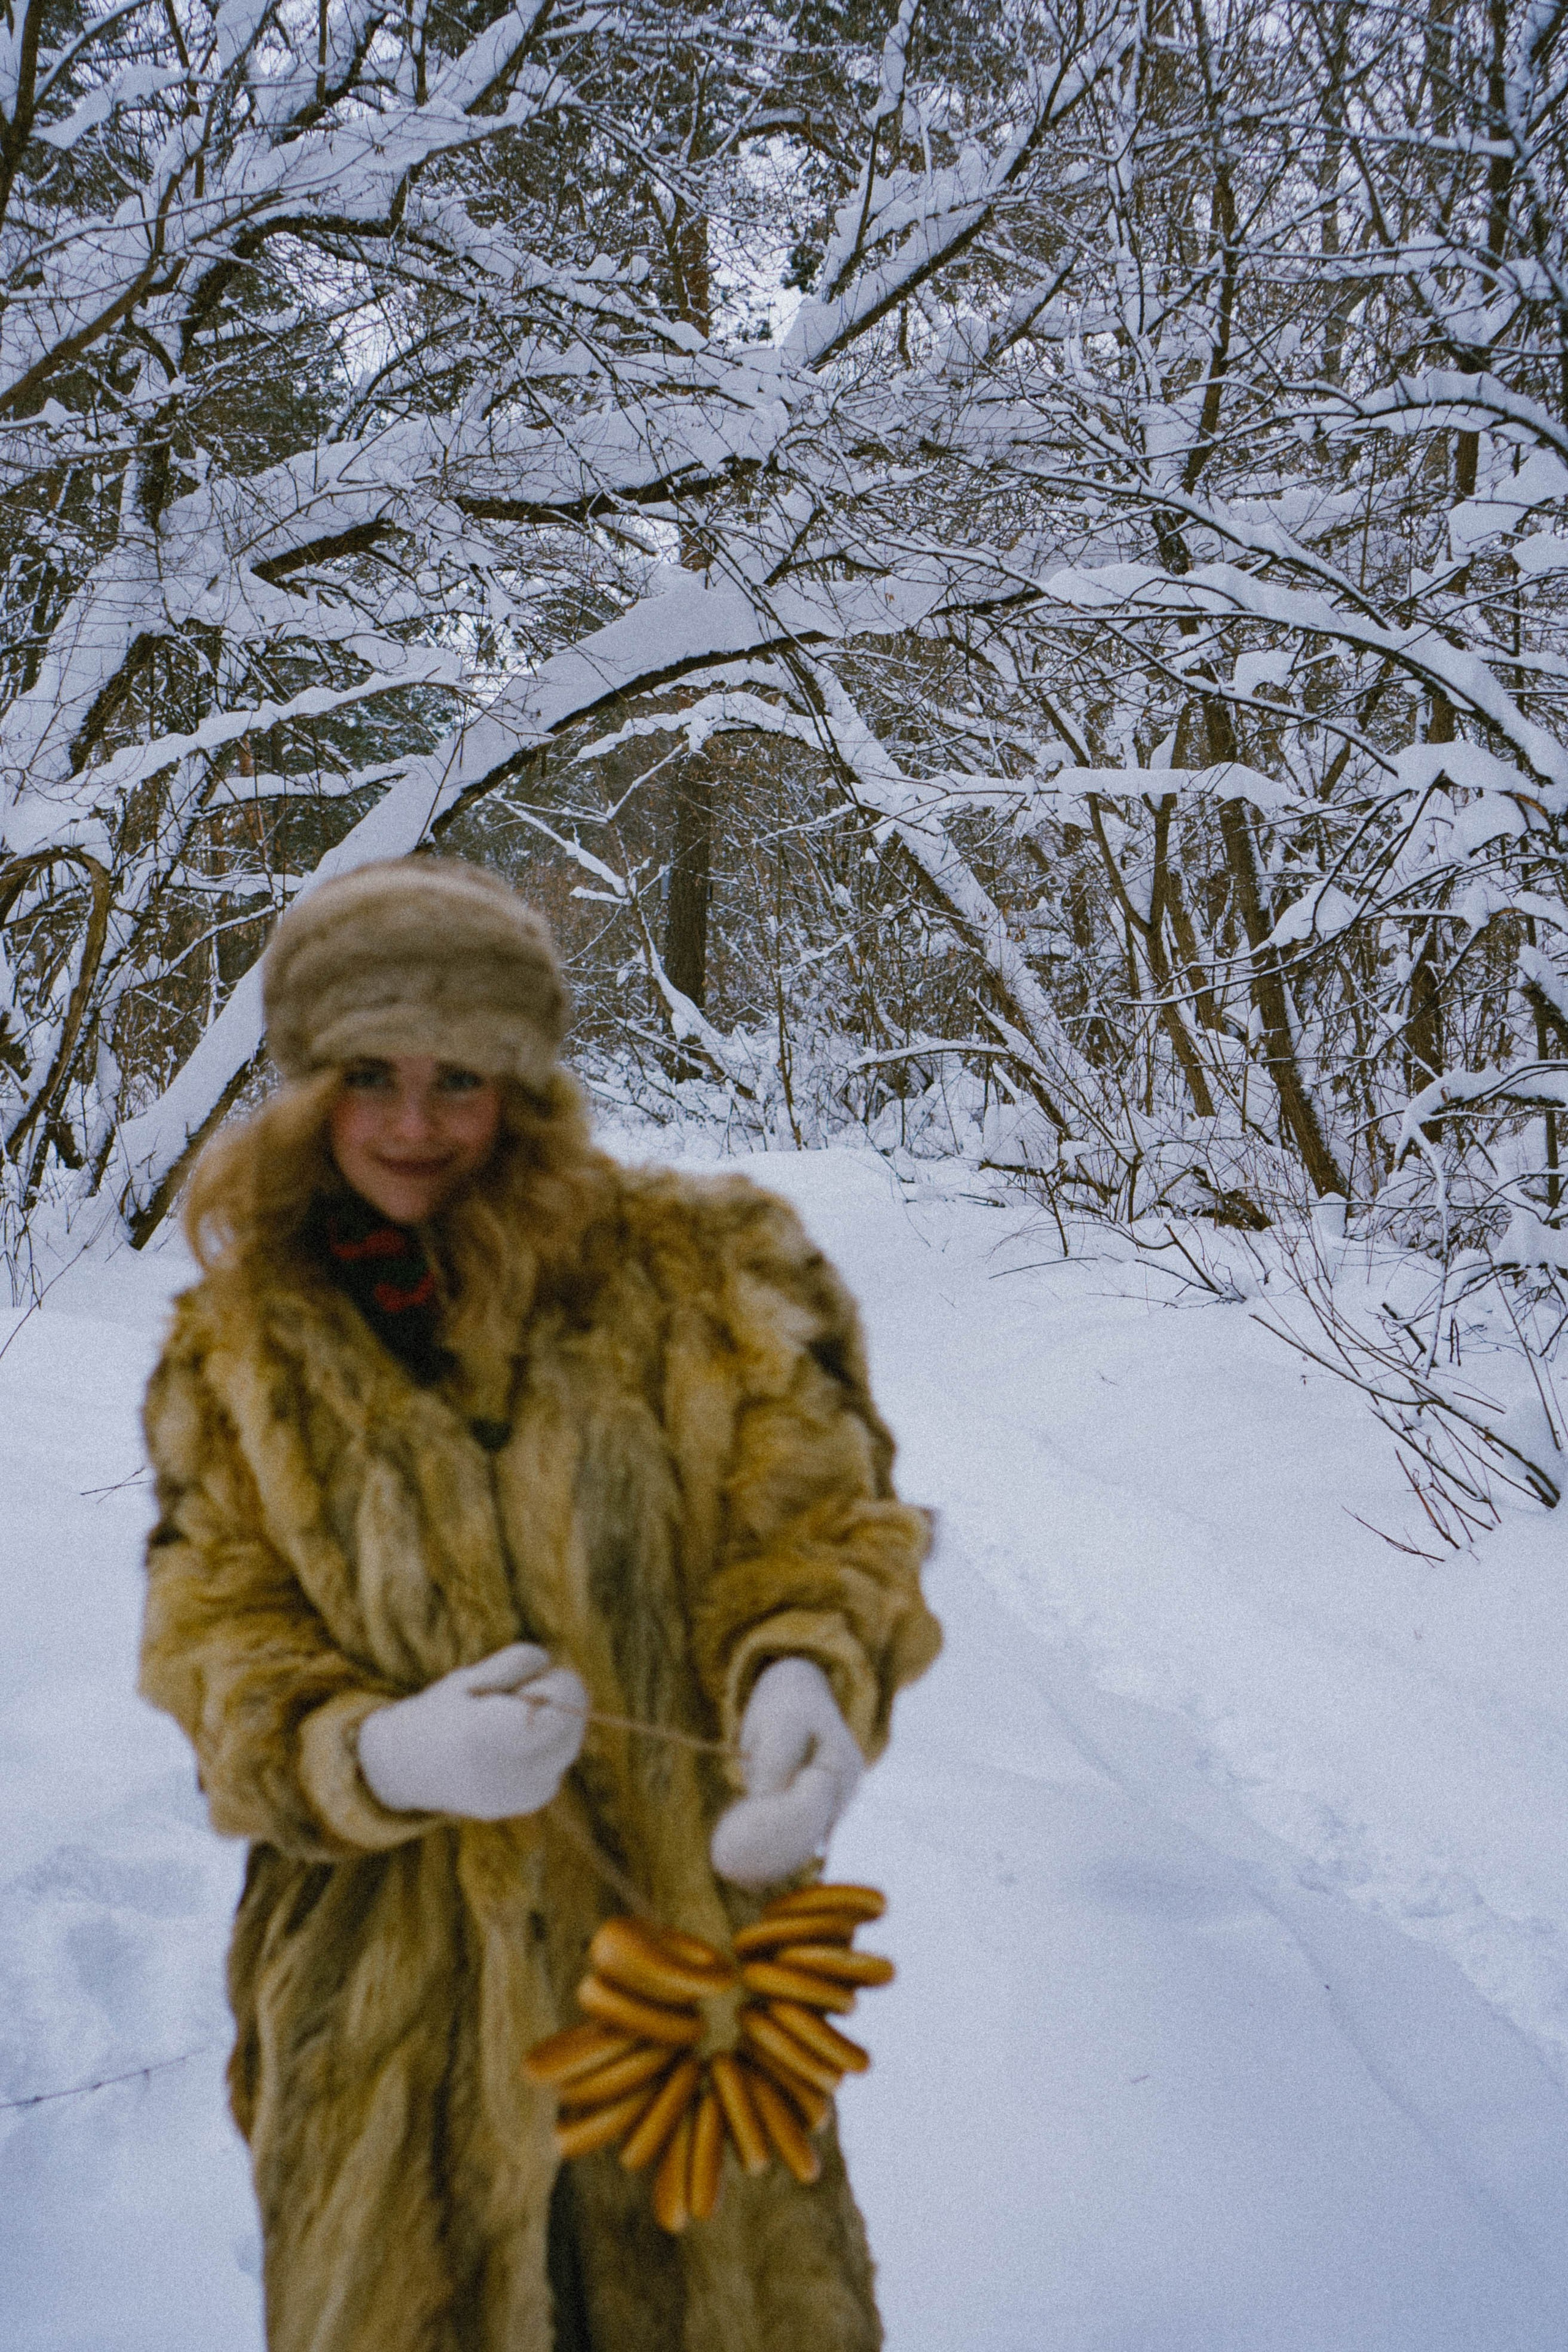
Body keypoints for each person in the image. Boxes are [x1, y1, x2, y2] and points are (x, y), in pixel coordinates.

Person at [138, 856, 941, 2352]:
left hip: (685, 1982)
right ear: (309, 1083)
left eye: (462, 1078)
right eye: (370, 1074)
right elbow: (210, 1636)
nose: (414, 1125)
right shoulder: (236, 1352)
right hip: (387, 2025)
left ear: (525, 1080)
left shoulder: (707, 1273)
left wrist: (803, 1680)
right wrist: (376, 1754)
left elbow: (822, 1523)